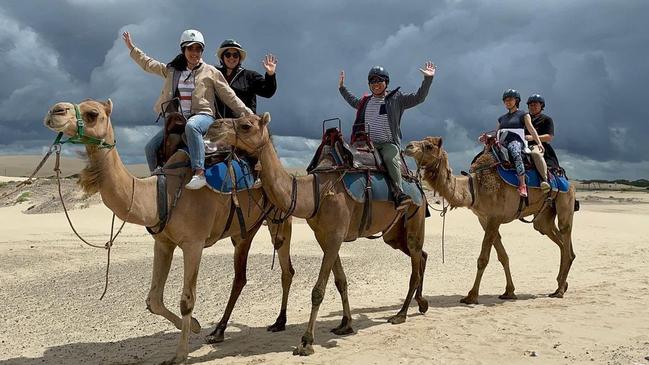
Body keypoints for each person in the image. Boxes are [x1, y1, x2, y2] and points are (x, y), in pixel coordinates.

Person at [122, 30, 252, 189]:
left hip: (204, 117)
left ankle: (199, 173)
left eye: (198, 49)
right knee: (150, 147)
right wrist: (132, 49)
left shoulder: (211, 72)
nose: (194, 53)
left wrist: (248, 114)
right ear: (183, 50)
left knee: (192, 126)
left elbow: (229, 96)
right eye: (190, 48)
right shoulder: (173, 70)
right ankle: (159, 179)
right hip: (180, 121)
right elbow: (149, 64)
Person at [339, 62, 436, 209]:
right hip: (366, 144)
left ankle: (399, 193)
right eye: (372, 81)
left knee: (390, 158)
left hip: (387, 144)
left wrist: (428, 79)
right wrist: (342, 88)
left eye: (379, 80)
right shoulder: (365, 101)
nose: (376, 84)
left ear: (386, 82)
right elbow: (352, 100)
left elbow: (419, 97)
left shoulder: (396, 99)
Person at [496, 89, 548, 197]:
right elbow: (496, 132)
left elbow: (531, 129)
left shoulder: (523, 114)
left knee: (515, 152)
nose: (508, 102)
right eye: (505, 100)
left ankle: (522, 184)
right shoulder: (501, 118)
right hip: (502, 142)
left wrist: (539, 143)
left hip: (516, 141)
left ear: (517, 100)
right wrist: (487, 137)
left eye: (510, 99)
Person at [214, 39, 277, 117]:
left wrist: (270, 74)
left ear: (239, 58)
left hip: (244, 124)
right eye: (228, 55)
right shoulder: (214, 73)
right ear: (222, 57)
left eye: (235, 55)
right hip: (218, 122)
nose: (231, 58)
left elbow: (268, 92)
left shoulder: (250, 76)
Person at [526, 94, 560, 176]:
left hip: (538, 145)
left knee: (536, 154)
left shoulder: (547, 119)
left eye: (535, 105)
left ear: (541, 105)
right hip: (523, 145)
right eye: (531, 105)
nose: (533, 107)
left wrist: (532, 138)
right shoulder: (524, 118)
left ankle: (545, 180)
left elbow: (549, 137)